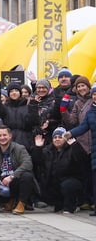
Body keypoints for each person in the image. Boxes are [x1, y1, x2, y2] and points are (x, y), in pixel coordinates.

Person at [0, 125, 35, 215]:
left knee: (27, 176)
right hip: (2, 184)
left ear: (10, 136)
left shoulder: (19, 148)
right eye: (0, 136)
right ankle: (9, 201)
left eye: (4, 135)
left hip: (15, 181)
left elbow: (28, 163)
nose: (2, 138)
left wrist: (12, 176)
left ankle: (21, 203)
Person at [34, 127, 88, 213]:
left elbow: (82, 160)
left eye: (60, 137)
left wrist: (75, 146)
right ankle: (58, 204)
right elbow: (37, 162)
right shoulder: (47, 150)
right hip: (53, 182)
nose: (57, 139)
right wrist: (38, 148)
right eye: (55, 137)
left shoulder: (72, 148)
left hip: (70, 180)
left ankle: (71, 206)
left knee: (68, 185)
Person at [65, 84, 96, 216]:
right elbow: (83, 127)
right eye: (94, 94)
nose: (95, 96)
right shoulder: (90, 113)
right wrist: (70, 133)